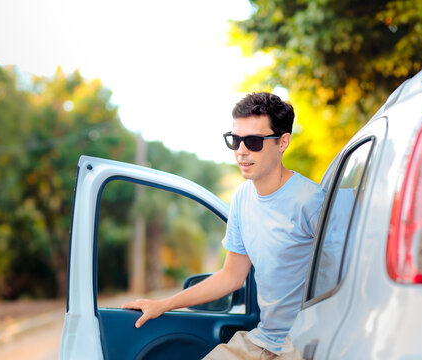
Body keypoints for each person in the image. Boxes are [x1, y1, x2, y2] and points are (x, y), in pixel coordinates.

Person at [122, 92, 326, 359]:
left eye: (253, 141)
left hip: (305, 343)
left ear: (282, 142)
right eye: (236, 140)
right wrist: (163, 304)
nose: (241, 151)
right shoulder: (242, 198)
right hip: (263, 340)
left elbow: (342, 278)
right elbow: (231, 276)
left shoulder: (310, 200)